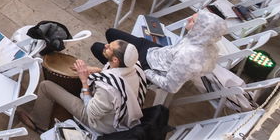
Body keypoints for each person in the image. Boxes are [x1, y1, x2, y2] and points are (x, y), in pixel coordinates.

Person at [18, 39, 143, 135]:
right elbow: (116, 79)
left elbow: (91, 112)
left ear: (115, 60)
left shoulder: (107, 88)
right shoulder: (134, 67)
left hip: (98, 123)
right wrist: (98, 71)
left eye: (109, 47)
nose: (105, 45)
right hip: (111, 111)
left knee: (46, 86)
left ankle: (38, 123)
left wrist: (84, 80)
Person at [97, 8, 227, 94]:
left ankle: (112, 74)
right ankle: (114, 62)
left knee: (97, 48)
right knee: (111, 33)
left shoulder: (188, 57)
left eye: (192, 21)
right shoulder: (203, 40)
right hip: (154, 51)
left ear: (201, 29)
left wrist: (145, 71)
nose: (188, 19)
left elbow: (171, 87)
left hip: (149, 66)